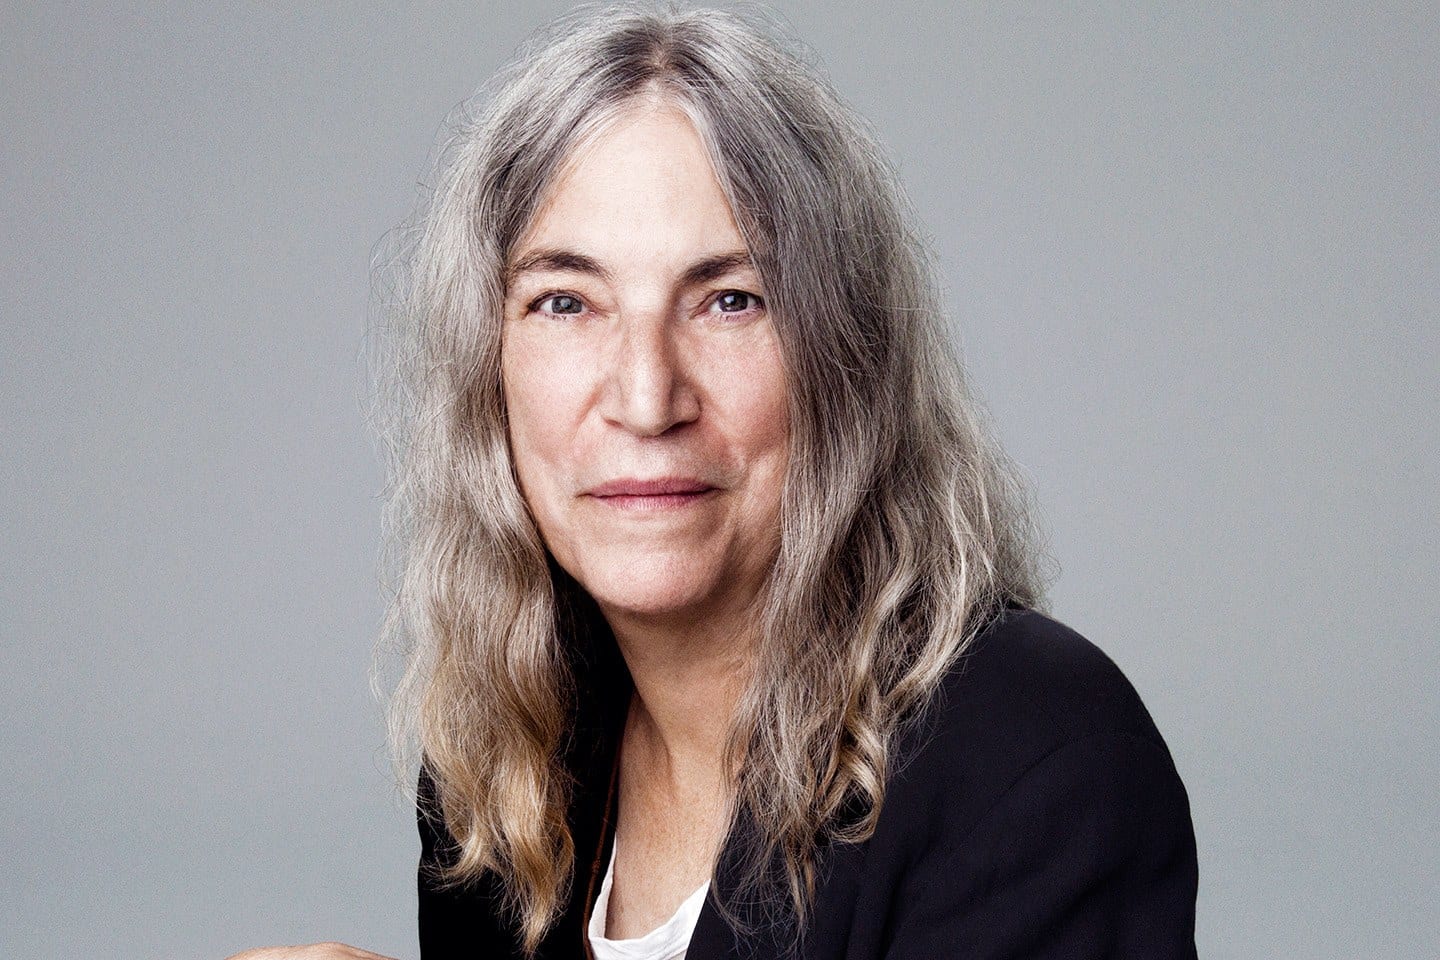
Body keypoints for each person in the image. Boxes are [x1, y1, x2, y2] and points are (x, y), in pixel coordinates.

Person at [230, 3, 1198, 959]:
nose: (646, 398)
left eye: (731, 300)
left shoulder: (1038, 759)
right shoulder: (507, 760)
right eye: (566, 302)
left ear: (843, 361)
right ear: (487, 371)